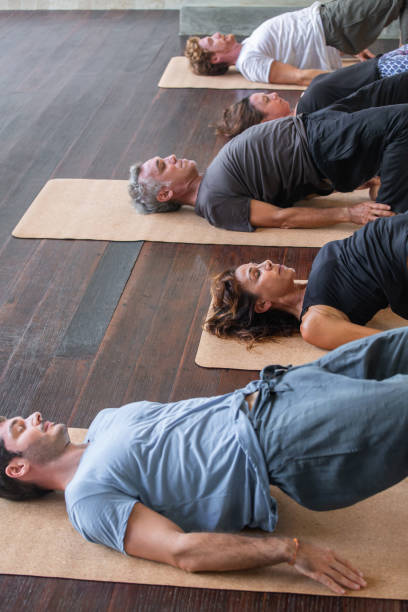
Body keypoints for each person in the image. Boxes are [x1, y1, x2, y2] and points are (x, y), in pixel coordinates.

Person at [1, 327, 408, 595]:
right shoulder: (87, 502)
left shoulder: (105, 421)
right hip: (286, 441)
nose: (34, 416)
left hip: (280, 385)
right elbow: (182, 551)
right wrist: (290, 550)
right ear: (18, 468)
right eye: (20, 428)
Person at [129, 96, 408, 232]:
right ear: (166, 194)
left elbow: (282, 188)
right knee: (402, 121)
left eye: (164, 158)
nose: (172, 158)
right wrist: (349, 213)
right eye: (164, 166)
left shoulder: (213, 183)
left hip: (319, 134)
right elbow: (280, 217)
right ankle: (388, 230)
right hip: (321, 144)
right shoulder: (214, 203)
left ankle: (391, 209)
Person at [206, 215, 408, 351]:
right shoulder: (313, 324)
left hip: (396, 229)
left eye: (257, 264)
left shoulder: (310, 285)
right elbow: (390, 344)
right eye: (256, 274)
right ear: (262, 304)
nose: (265, 263)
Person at [184, 0, 408, 85]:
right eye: (210, 41)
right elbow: (299, 77)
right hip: (332, 24)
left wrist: (356, 51)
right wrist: (351, 80)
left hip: (331, 24)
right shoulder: (250, 63)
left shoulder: (248, 45)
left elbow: (297, 42)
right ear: (215, 57)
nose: (215, 33)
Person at [215, 45, 408, 138]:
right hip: (388, 74)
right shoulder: (308, 111)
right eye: (267, 100)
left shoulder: (306, 108)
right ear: (266, 121)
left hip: (386, 66)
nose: (274, 94)